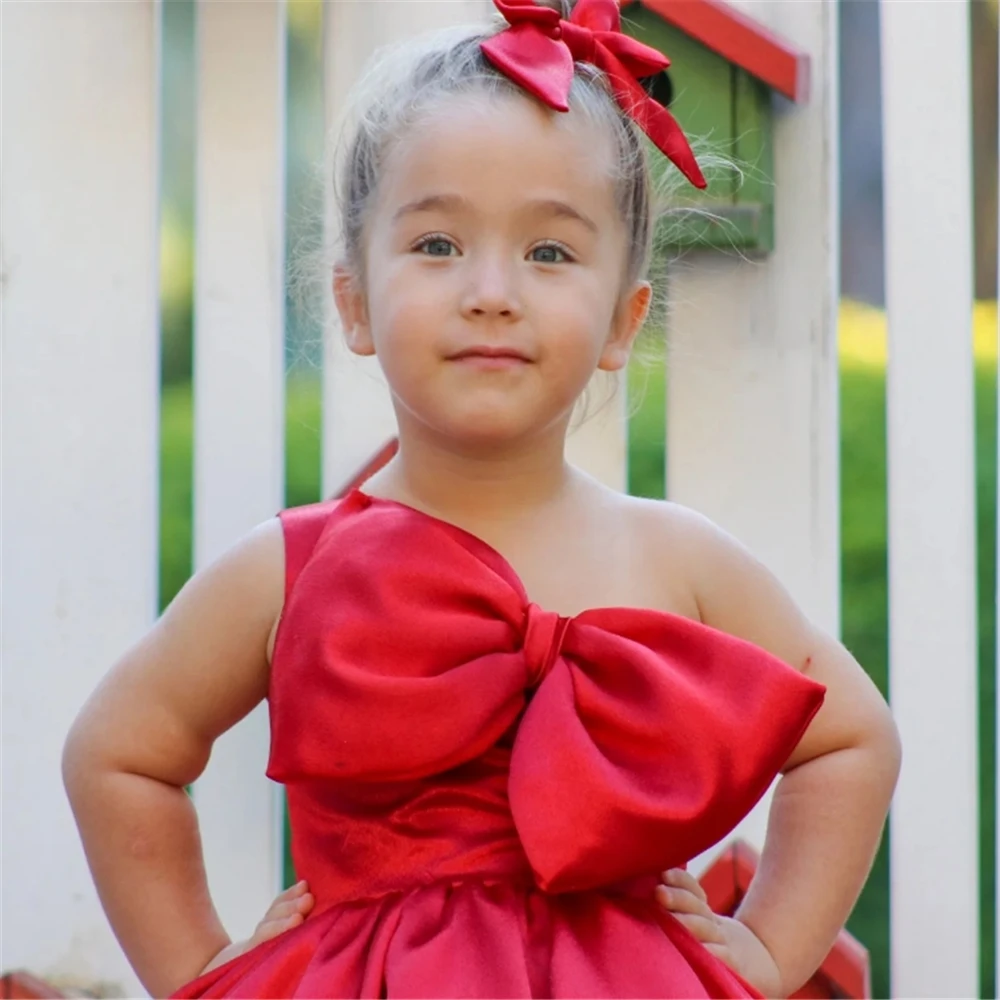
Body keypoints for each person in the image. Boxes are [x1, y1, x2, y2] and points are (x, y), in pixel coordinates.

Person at [62, 0, 900, 996]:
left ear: (622, 320)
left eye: (548, 253)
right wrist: (198, 968)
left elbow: (853, 737)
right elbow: (117, 754)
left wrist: (767, 950)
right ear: (355, 302)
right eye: (437, 245)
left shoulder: (678, 558)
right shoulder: (289, 567)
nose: (490, 290)